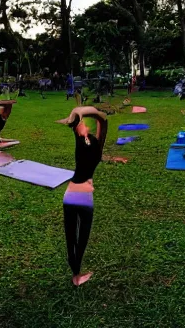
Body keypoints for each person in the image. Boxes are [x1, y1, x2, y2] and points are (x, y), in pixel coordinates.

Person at [55, 106, 108, 287]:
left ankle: (76, 272)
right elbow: (103, 121)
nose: (85, 125)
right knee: (81, 239)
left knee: (71, 237)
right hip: (85, 198)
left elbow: (77, 112)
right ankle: (77, 276)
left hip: (70, 195)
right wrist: (96, 115)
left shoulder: (80, 142)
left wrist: (75, 118)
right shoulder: (98, 150)